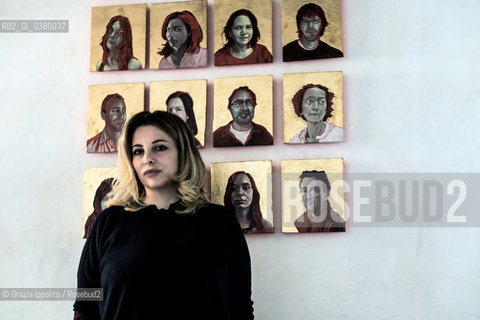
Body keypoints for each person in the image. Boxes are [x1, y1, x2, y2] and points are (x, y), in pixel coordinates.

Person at [74, 111, 254, 319]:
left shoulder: (220, 222)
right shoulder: (108, 222)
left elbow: (241, 308)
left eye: (159, 148)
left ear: (182, 152)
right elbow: (85, 308)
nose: (147, 159)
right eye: (138, 151)